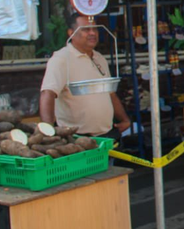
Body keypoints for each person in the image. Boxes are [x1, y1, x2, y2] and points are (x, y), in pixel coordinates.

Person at [40, 11, 131, 139]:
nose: (92, 33)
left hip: (107, 133)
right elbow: (47, 94)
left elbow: (110, 93)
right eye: (86, 30)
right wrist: (47, 133)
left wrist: (124, 119)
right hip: (77, 138)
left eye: (95, 29)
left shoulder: (100, 58)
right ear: (71, 33)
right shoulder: (61, 59)